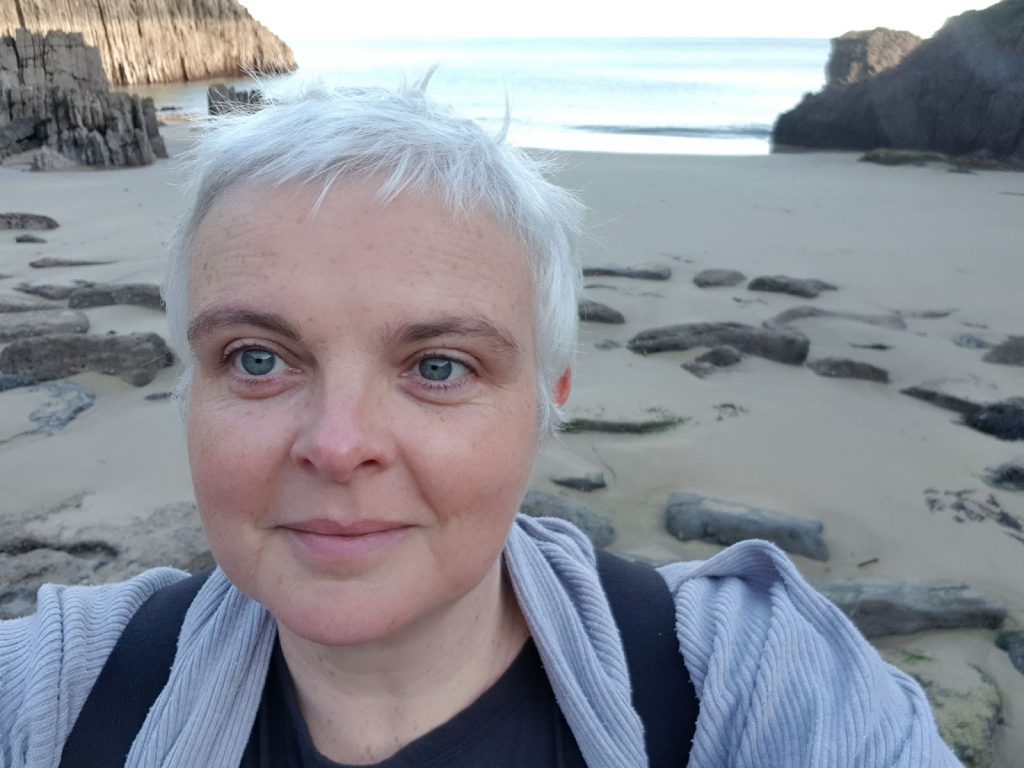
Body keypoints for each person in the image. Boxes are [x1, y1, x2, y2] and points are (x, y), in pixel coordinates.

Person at [0, 79, 961, 767]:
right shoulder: (63, 687)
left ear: (550, 397)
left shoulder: (749, 683)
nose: (337, 445)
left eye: (438, 366)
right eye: (258, 359)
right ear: (190, 387)